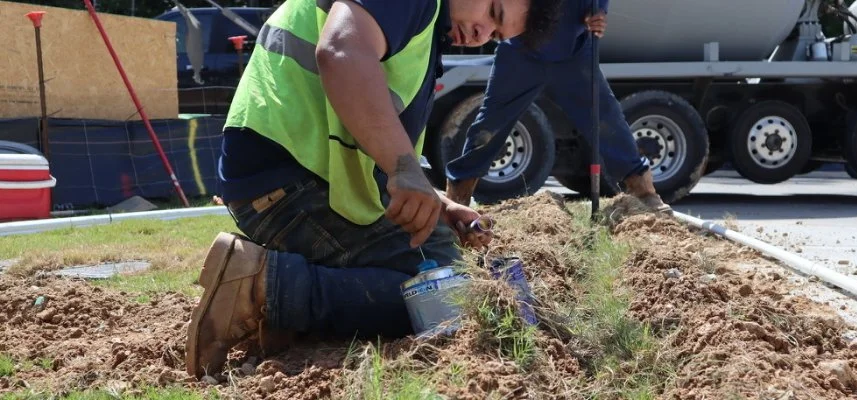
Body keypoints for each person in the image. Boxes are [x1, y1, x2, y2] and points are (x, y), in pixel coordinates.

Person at [184, 0, 563, 379]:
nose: (481, 34)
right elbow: (341, 52)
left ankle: (289, 312)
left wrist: (438, 201)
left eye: (495, 35)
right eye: (492, 13)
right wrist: (404, 169)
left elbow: (377, 132)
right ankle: (263, 286)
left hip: (294, 178)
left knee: (444, 265)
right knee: (449, 298)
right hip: (287, 182)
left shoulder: (423, 24)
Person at [443, 0, 672, 214]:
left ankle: (643, 192)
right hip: (519, 56)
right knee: (489, 126)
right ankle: (457, 196)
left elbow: (596, 9)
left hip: (573, 54)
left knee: (605, 120)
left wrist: (599, 12)